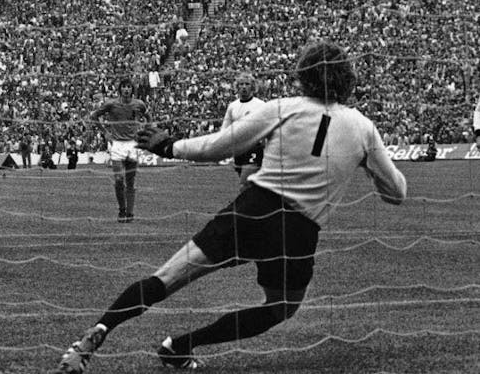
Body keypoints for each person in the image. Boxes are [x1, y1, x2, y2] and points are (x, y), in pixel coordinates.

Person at [54, 41, 407, 373]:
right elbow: (397, 192)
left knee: (166, 278)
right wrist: (370, 169)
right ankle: (181, 345)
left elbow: (219, 146)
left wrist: (168, 146)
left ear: (303, 75)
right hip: (298, 231)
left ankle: (97, 333)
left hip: (252, 210)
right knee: (280, 308)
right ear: (347, 80)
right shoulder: (363, 128)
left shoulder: (283, 107)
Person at [87, 78, 148, 223]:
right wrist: (105, 133)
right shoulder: (111, 104)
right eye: (124, 87)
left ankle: (130, 213)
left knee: (130, 181)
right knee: (119, 179)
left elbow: (148, 117)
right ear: (120, 89)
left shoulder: (139, 104)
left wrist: (144, 131)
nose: (126, 89)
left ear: (132, 89)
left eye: (129, 87)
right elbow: (93, 116)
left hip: (132, 145)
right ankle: (122, 210)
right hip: (117, 145)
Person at [222, 72, 266, 187]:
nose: (244, 87)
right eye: (241, 84)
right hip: (238, 149)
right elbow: (225, 129)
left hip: (254, 148)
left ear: (253, 86)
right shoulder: (233, 106)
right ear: (237, 87)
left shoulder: (260, 105)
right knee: (251, 186)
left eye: (247, 84)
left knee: (244, 184)